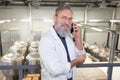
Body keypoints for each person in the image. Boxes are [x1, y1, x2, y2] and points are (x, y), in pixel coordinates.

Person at [39, 4, 86, 80]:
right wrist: (76, 61)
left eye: (70, 19)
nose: (67, 22)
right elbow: (55, 69)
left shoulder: (68, 37)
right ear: (55, 18)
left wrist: (77, 37)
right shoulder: (46, 40)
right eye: (64, 18)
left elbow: (81, 56)